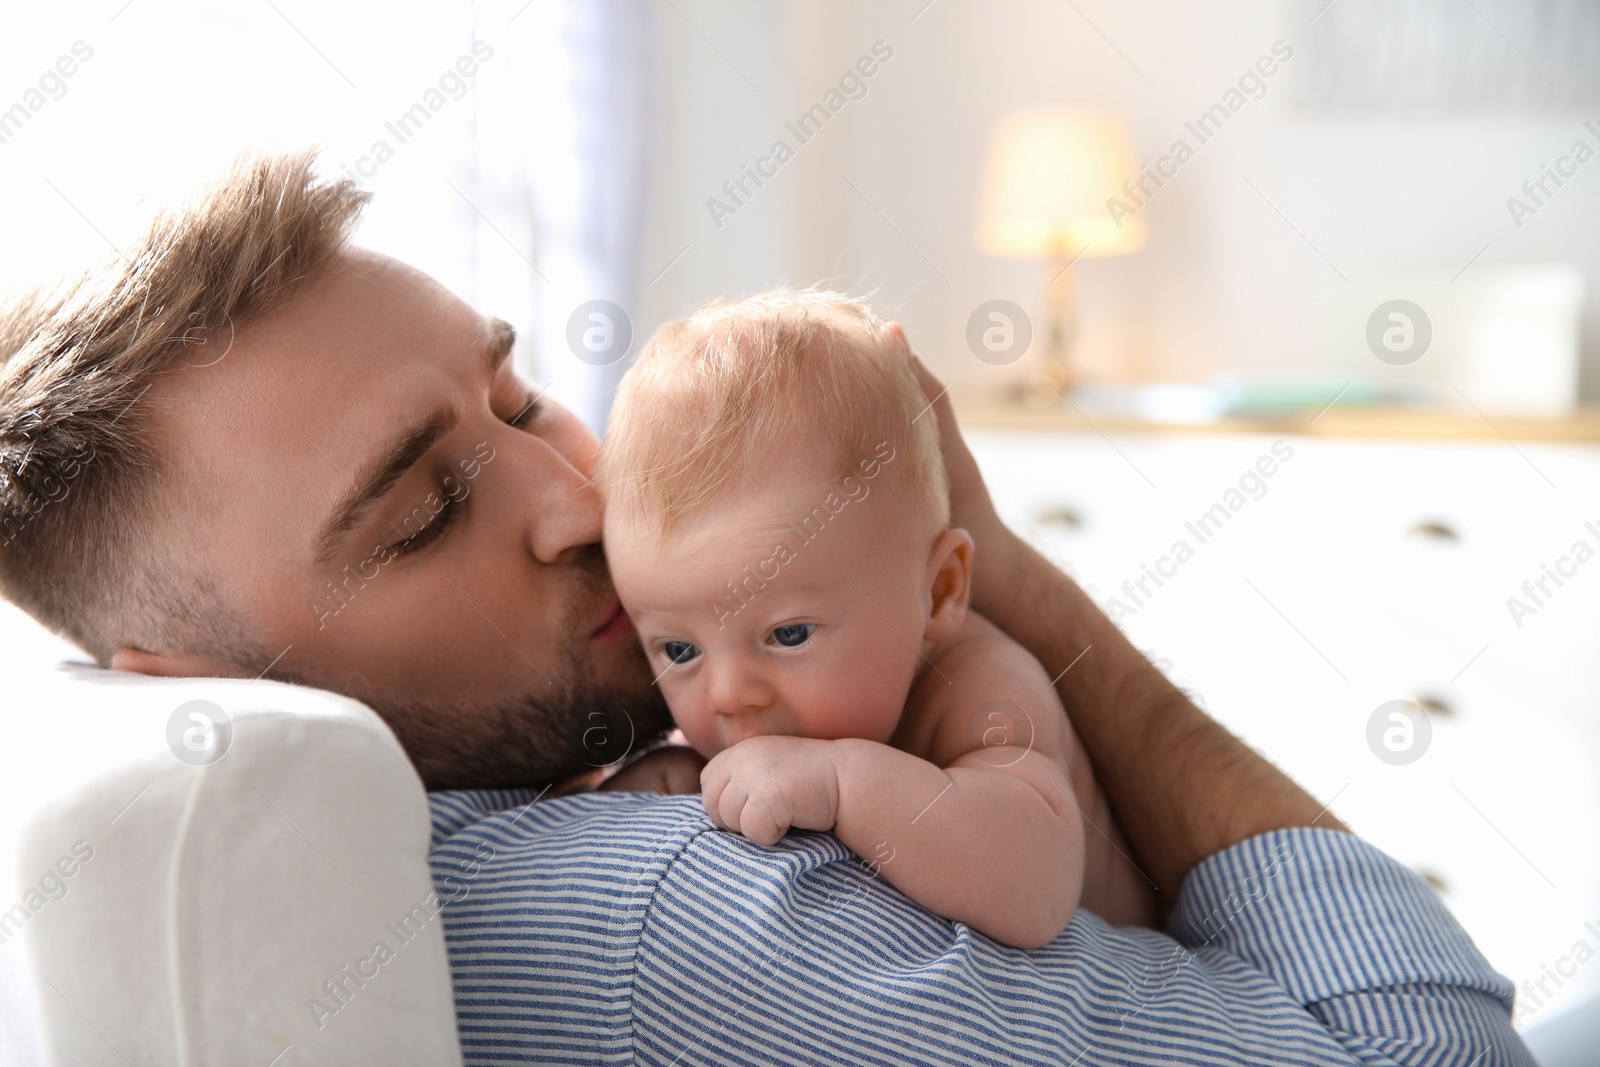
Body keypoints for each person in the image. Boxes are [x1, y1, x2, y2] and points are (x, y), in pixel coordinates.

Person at [0, 153, 1532, 1065]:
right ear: (183, 671)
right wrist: (998, 563)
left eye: (523, 395)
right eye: (427, 513)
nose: (581, 501)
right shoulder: (686, 911)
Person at [598, 289, 1156, 944]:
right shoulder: (765, 706)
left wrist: (844, 783)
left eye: (789, 633)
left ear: (941, 591)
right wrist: (673, 780)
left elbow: (1037, 887)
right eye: (679, 650)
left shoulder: (981, 685)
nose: (724, 694)